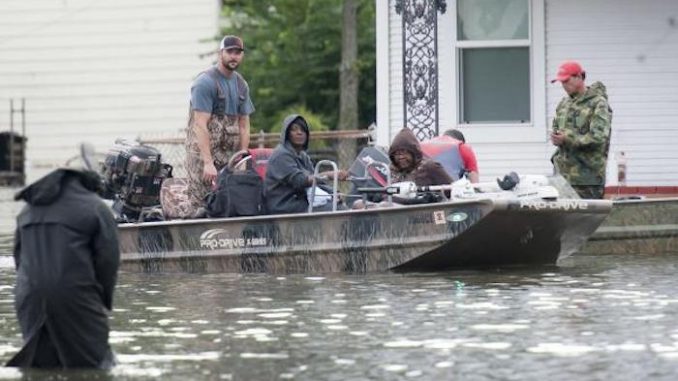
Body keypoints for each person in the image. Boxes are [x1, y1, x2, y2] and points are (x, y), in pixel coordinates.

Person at [7, 168, 120, 369]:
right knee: (96, 365)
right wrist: (103, 299)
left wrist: (31, 288)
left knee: (41, 367)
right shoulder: (95, 207)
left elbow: (19, 258)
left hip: (28, 297)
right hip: (75, 295)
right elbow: (108, 260)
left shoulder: (27, 211)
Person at [185, 35, 255, 217]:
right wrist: (208, 163)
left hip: (229, 157)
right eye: (229, 51)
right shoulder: (205, 83)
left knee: (229, 203)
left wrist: (242, 158)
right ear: (220, 53)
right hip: (203, 156)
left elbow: (244, 124)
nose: (234, 56)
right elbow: (200, 125)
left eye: (238, 52)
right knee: (201, 206)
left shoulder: (241, 85)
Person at [550, 60, 612, 199]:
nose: (564, 85)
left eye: (566, 81)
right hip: (563, 177)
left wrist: (567, 139)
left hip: (587, 178)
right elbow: (557, 127)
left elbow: (598, 137)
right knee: (562, 219)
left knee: (586, 218)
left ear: (579, 77)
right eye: (561, 82)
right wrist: (556, 137)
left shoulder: (598, 103)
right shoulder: (564, 104)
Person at [264, 114, 348, 214]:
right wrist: (329, 174)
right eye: (294, 129)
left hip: (300, 200)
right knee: (337, 210)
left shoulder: (302, 155)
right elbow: (300, 181)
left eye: (303, 130)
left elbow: (315, 179)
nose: (299, 133)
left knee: (339, 205)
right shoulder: (281, 155)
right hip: (284, 204)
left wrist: (333, 192)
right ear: (286, 133)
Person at [353, 128, 452, 208]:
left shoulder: (430, 167)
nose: (401, 157)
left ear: (414, 152)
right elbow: (385, 193)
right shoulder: (389, 171)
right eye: (396, 154)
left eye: (404, 152)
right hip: (391, 211)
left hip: (421, 211)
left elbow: (452, 190)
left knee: (385, 205)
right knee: (358, 204)